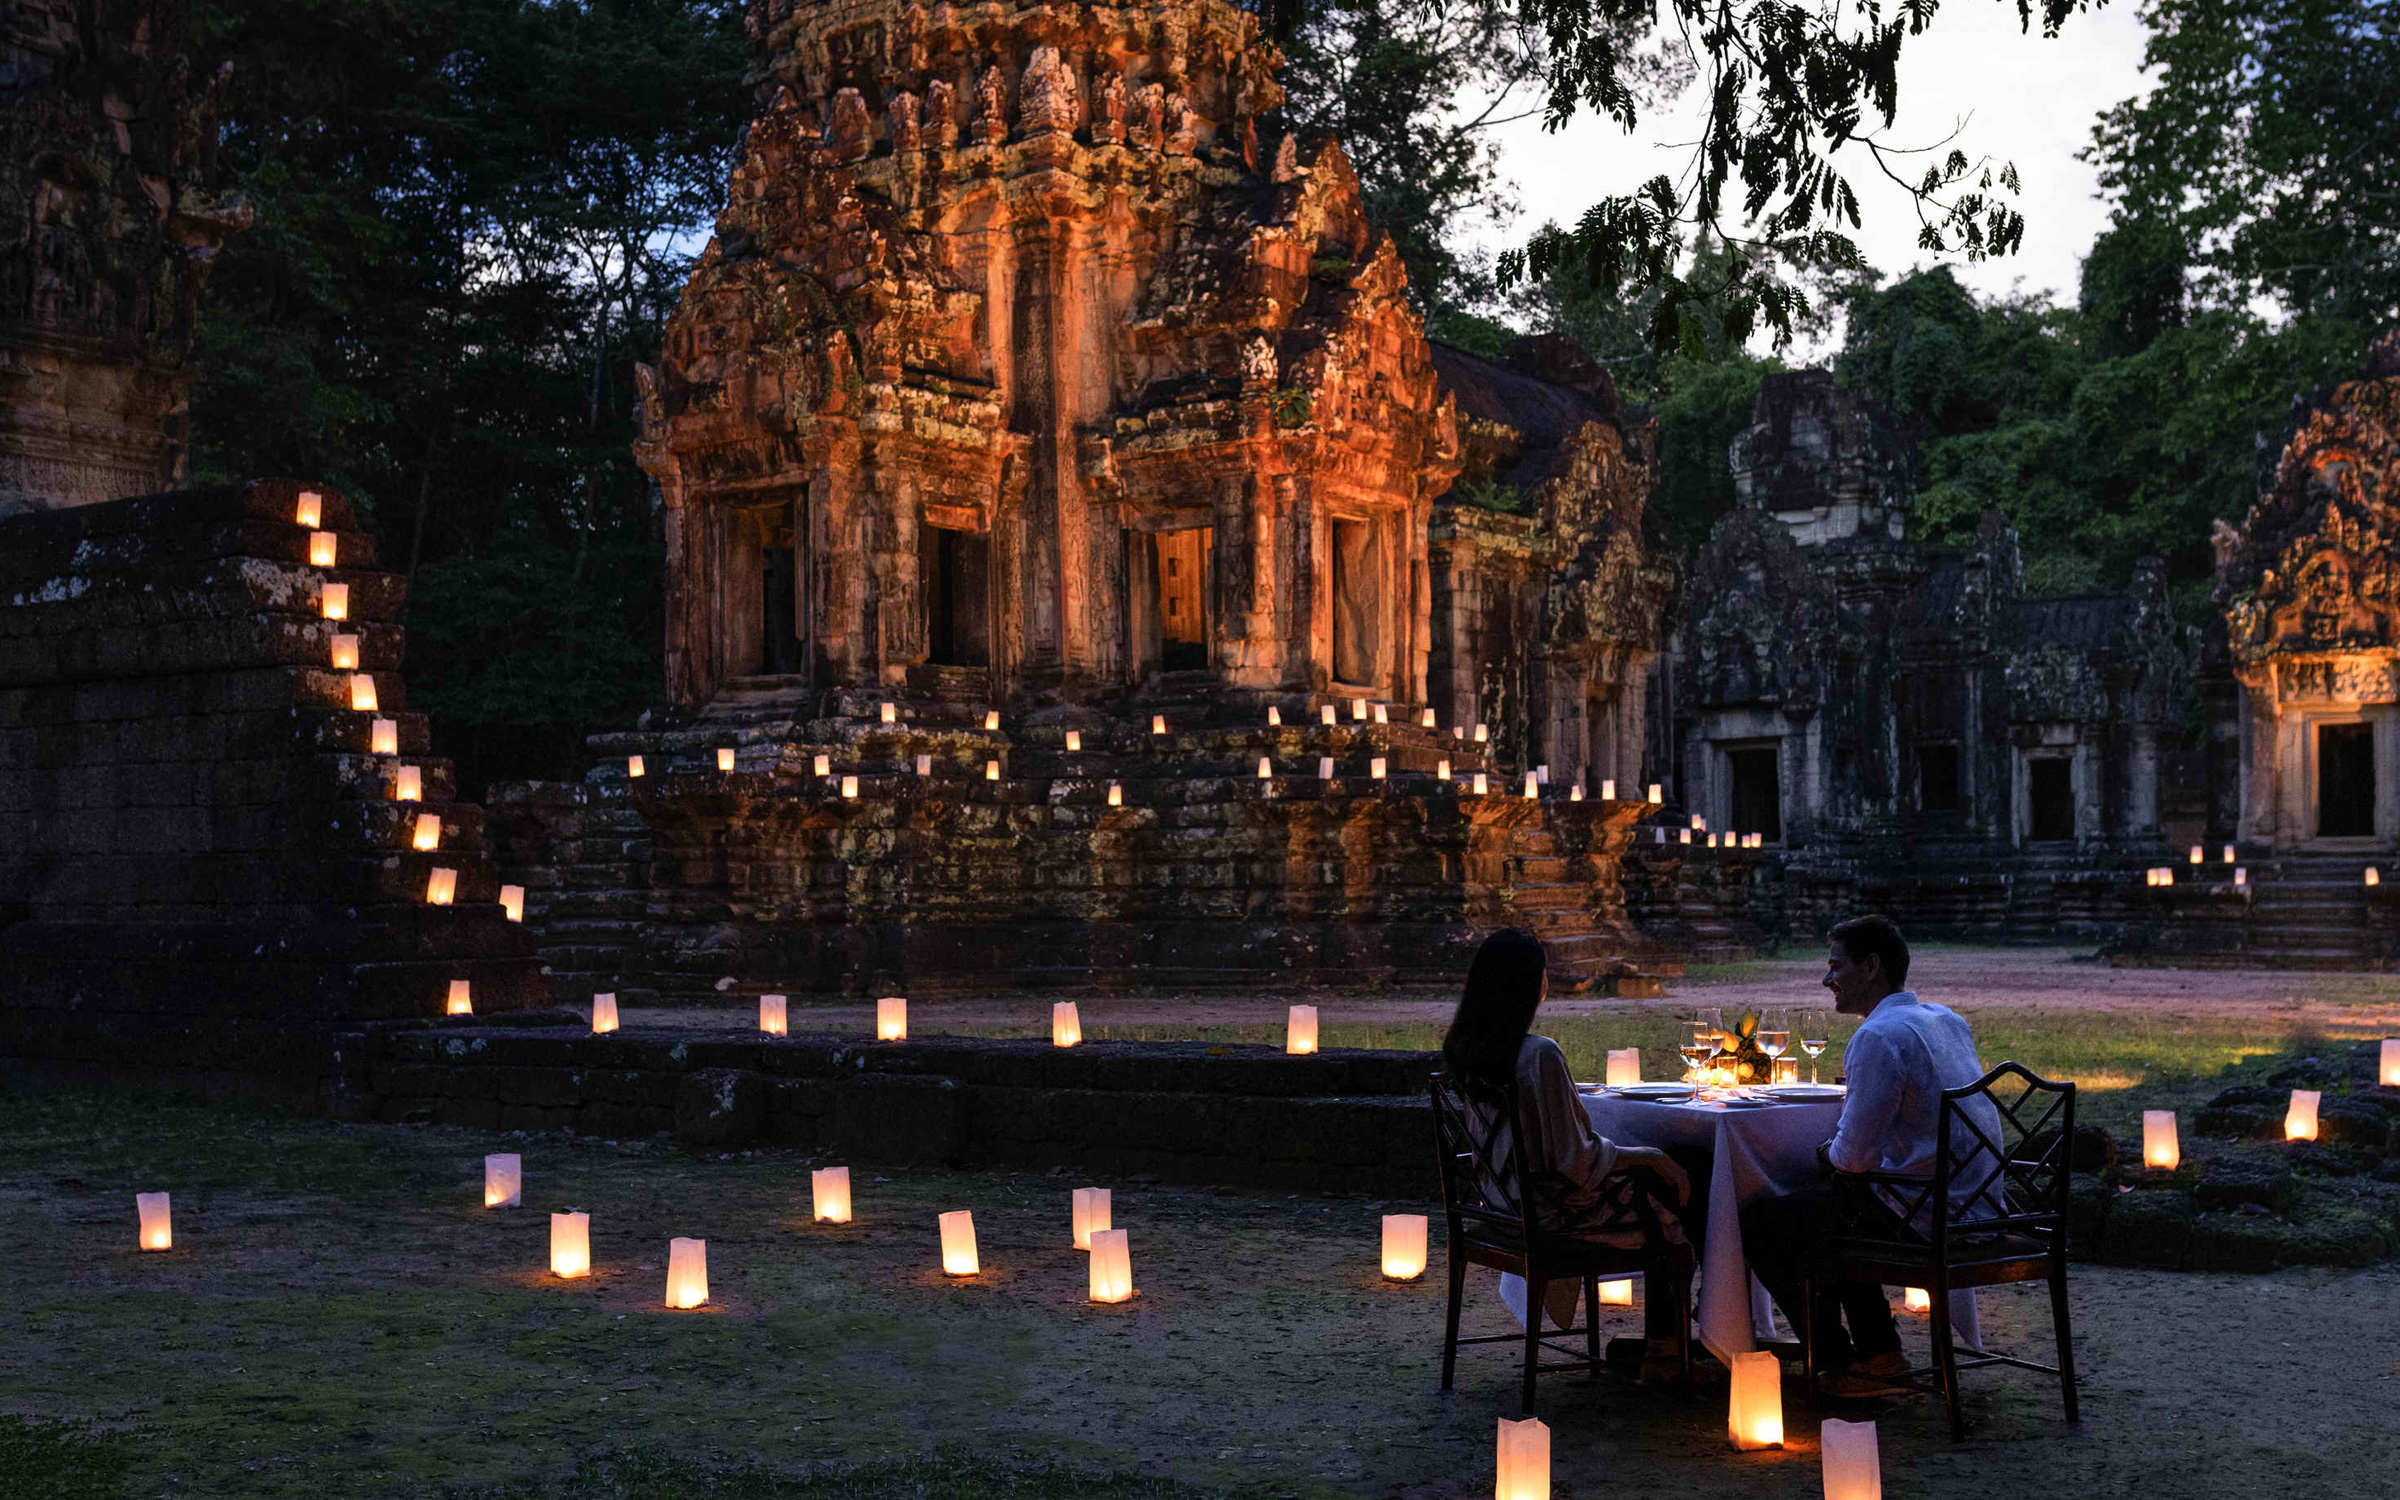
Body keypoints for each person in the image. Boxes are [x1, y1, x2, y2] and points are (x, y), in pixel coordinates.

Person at [1739, 913, 2002, 1398]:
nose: (1826, 979)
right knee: (1836, 1203)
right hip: (1978, 1204)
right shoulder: (1946, 1019)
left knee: (1763, 1222)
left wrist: (1824, 1151)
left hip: (1923, 1211)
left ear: (1871, 967)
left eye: (1836, 966)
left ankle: (1842, 1360)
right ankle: (1880, 1352)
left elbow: (1853, 1157)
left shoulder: (1878, 1036)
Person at [1439, 928, 1697, 1373]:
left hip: (1498, 1207)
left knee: (1661, 1180)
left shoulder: (1467, 1050)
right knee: (1683, 1186)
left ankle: (1671, 1343)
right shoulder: (1539, 1055)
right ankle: (1672, 1345)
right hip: (1551, 1215)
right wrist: (1652, 1157)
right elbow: (1575, 1160)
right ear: (1533, 984)